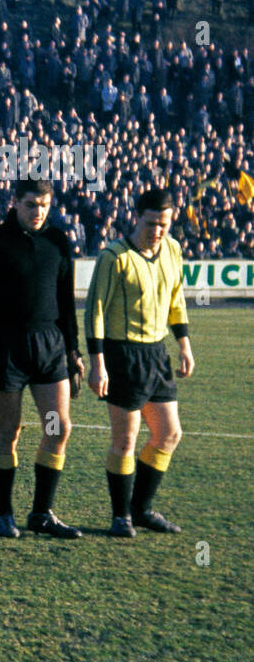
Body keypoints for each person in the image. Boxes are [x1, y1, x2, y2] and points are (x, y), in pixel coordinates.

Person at [0, 177, 84, 538]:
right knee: (8, 431)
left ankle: (42, 513)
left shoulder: (57, 241)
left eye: (44, 205)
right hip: (6, 346)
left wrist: (73, 351)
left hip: (49, 347)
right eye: (31, 205)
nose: (38, 212)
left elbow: (65, 302)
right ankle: (4, 514)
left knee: (56, 427)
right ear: (15, 203)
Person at [86, 188, 194, 537]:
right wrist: (97, 362)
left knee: (168, 434)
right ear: (136, 217)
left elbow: (176, 299)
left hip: (157, 354)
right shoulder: (114, 256)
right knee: (126, 441)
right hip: (123, 355)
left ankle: (142, 508)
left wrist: (184, 344)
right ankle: (121, 516)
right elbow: (95, 311)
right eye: (151, 223)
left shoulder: (173, 250)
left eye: (164, 224)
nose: (158, 231)